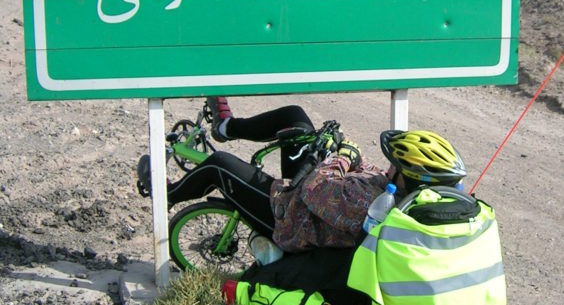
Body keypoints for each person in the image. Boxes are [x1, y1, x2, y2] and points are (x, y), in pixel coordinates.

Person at [137, 96, 467, 254]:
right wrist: (348, 156)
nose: (389, 165)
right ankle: (226, 127)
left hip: (289, 216)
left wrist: (340, 158)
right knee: (296, 121)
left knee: (219, 164)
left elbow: (314, 188)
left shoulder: (368, 202)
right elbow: (369, 174)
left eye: (395, 163)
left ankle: (165, 193)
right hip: (312, 208)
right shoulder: (395, 195)